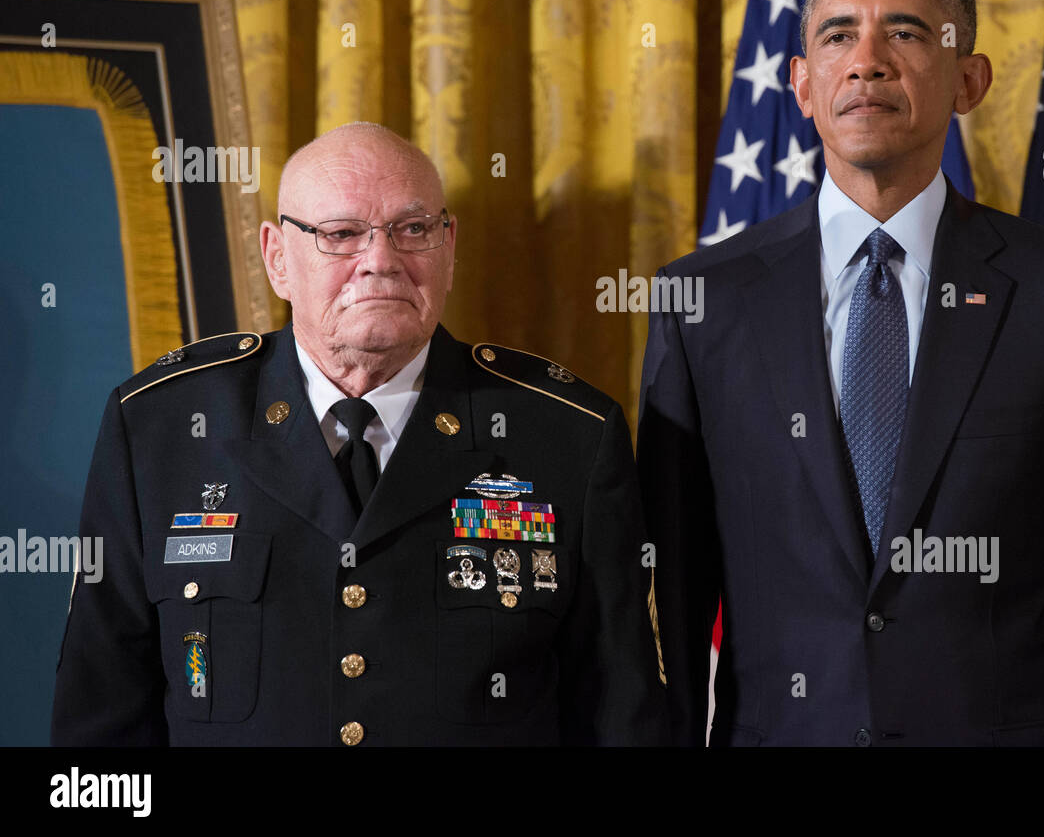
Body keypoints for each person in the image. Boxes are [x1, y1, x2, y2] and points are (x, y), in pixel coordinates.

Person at [637, 0, 1044, 746]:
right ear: (803, 85)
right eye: (838, 35)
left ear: (969, 81)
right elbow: (670, 600)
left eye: (909, 33)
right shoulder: (701, 302)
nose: (868, 61)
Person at [52, 121, 667, 745]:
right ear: (276, 259)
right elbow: (100, 718)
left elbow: (623, 714)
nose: (380, 260)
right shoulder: (159, 429)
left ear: (448, 247)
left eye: (414, 228)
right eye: (341, 234)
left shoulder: (568, 436)